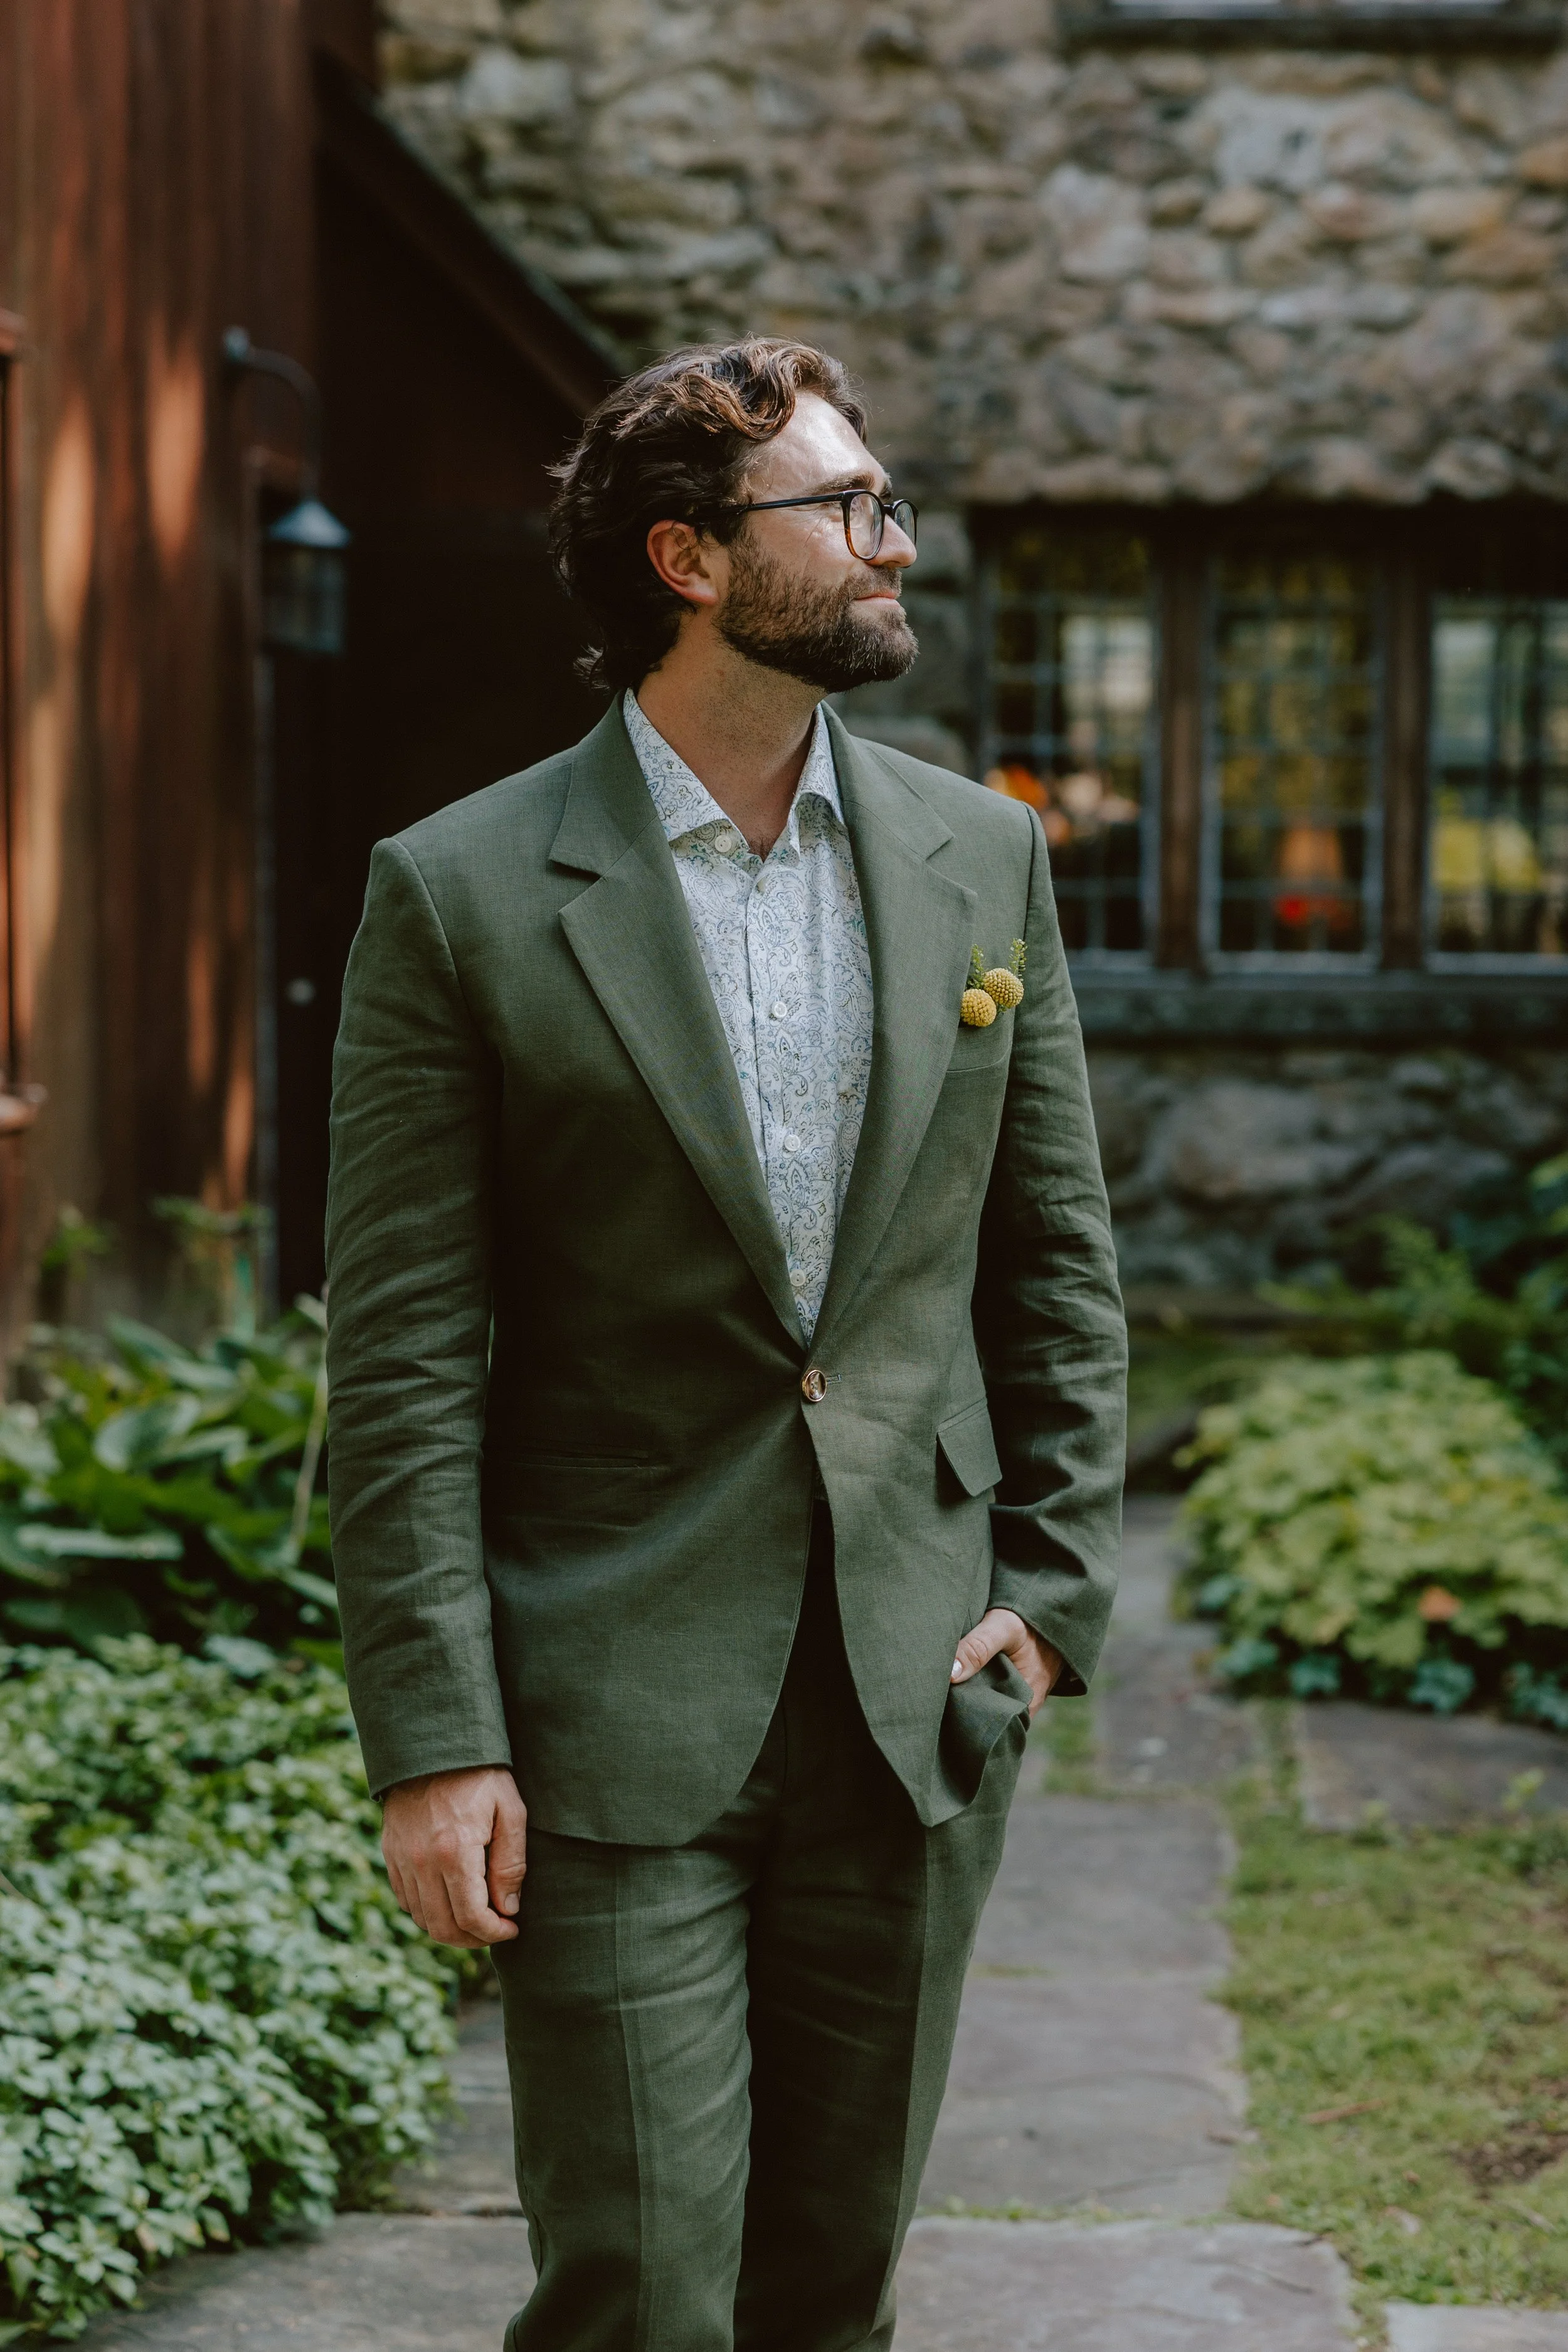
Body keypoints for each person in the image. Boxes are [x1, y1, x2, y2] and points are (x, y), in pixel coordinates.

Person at [325, 337, 1126, 2352]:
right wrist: (437, 1737)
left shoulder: (982, 856)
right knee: (642, 2291)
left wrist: (1047, 1592)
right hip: (607, 1702)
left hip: (909, 1687)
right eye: (843, 510)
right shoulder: (459, 891)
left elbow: (1057, 1264)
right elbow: (406, 1354)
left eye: (885, 505)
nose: (889, 545)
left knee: (824, 2293)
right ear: (686, 558)